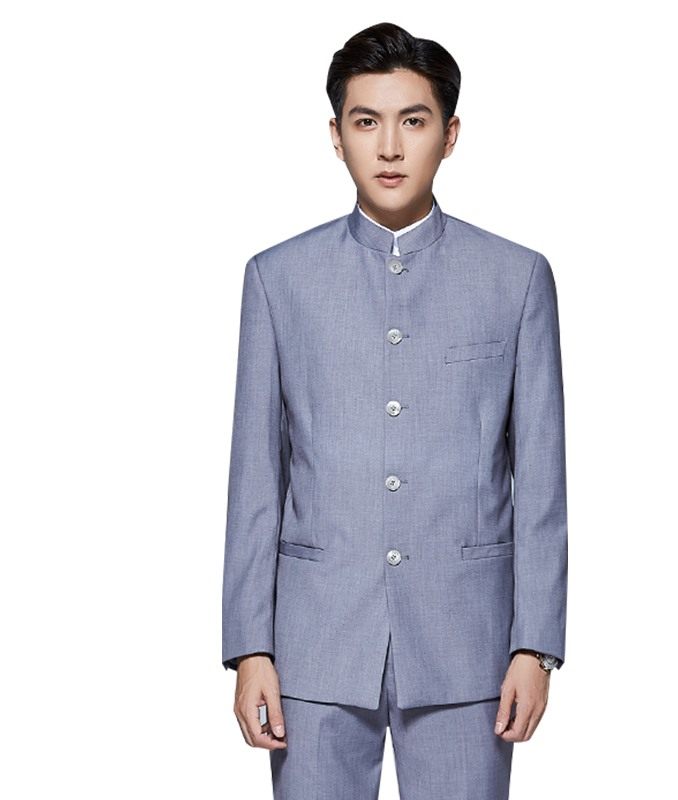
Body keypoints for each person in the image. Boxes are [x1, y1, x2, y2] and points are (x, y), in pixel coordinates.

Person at [221, 21, 568, 800]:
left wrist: (534, 645)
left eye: (412, 121)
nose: (388, 147)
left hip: (470, 646)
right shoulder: (278, 280)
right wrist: (250, 648)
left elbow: (542, 482)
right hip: (312, 644)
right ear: (335, 136)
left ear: (450, 135)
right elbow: (256, 479)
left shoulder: (515, 279)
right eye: (365, 121)